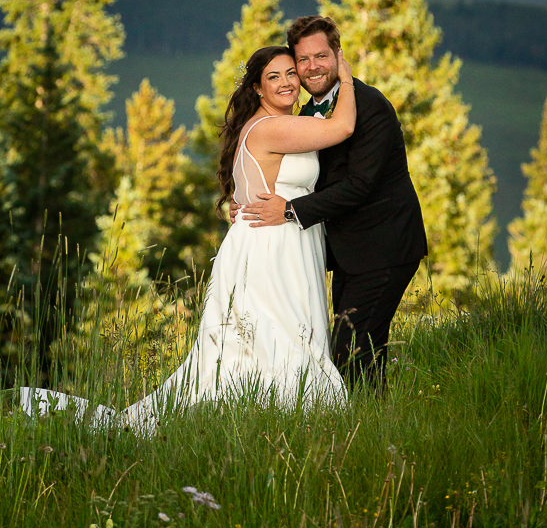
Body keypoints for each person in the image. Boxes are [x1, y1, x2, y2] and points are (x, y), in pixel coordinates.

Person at [21, 43, 357, 433]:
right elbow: (343, 127)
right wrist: (344, 73)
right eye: (273, 77)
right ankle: (283, 416)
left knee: (255, 344)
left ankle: (248, 415)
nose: (285, 83)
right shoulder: (274, 126)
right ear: (257, 90)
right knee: (278, 339)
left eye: (289, 74)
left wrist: (237, 202)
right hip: (273, 245)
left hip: (275, 239)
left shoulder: (274, 124)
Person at [236, 15, 427, 387]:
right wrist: (245, 198)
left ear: (338, 55)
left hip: (383, 246)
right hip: (347, 252)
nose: (311, 68)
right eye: (302, 61)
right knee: (356, 348)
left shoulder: (368, 105)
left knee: (349, 351)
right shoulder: (307, 112)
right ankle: (372, 417)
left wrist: (289, 210)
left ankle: (362, 423)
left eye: (320, 56)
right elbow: (296, 173)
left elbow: (359, 185)